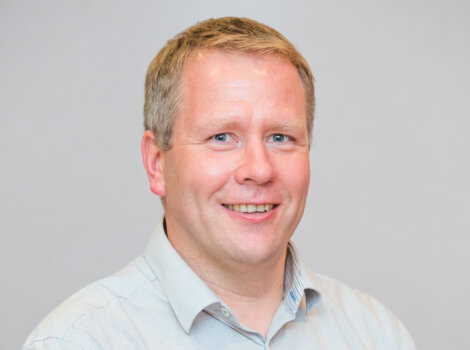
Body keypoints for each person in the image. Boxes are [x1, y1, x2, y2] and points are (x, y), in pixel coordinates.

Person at [23, 17, 416, 349]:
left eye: (281, 137)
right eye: (222, 137)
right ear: (157, 162)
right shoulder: (79, 340)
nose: (259, 170)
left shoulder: (377, 334)